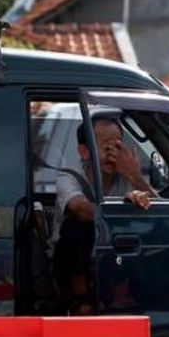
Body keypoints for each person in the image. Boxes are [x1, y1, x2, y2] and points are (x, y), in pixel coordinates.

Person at [51, 116, 154, 315]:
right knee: (78, 223)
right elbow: (81, 209)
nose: (112, 154)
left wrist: (135, 177)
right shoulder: (69, 177)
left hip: (113, 259)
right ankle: (80, 297)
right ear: (85, 151)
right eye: (106, 146)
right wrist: (124, 206)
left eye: (117, 146)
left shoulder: (126, 176)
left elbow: (158, 210)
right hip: (71, 263)